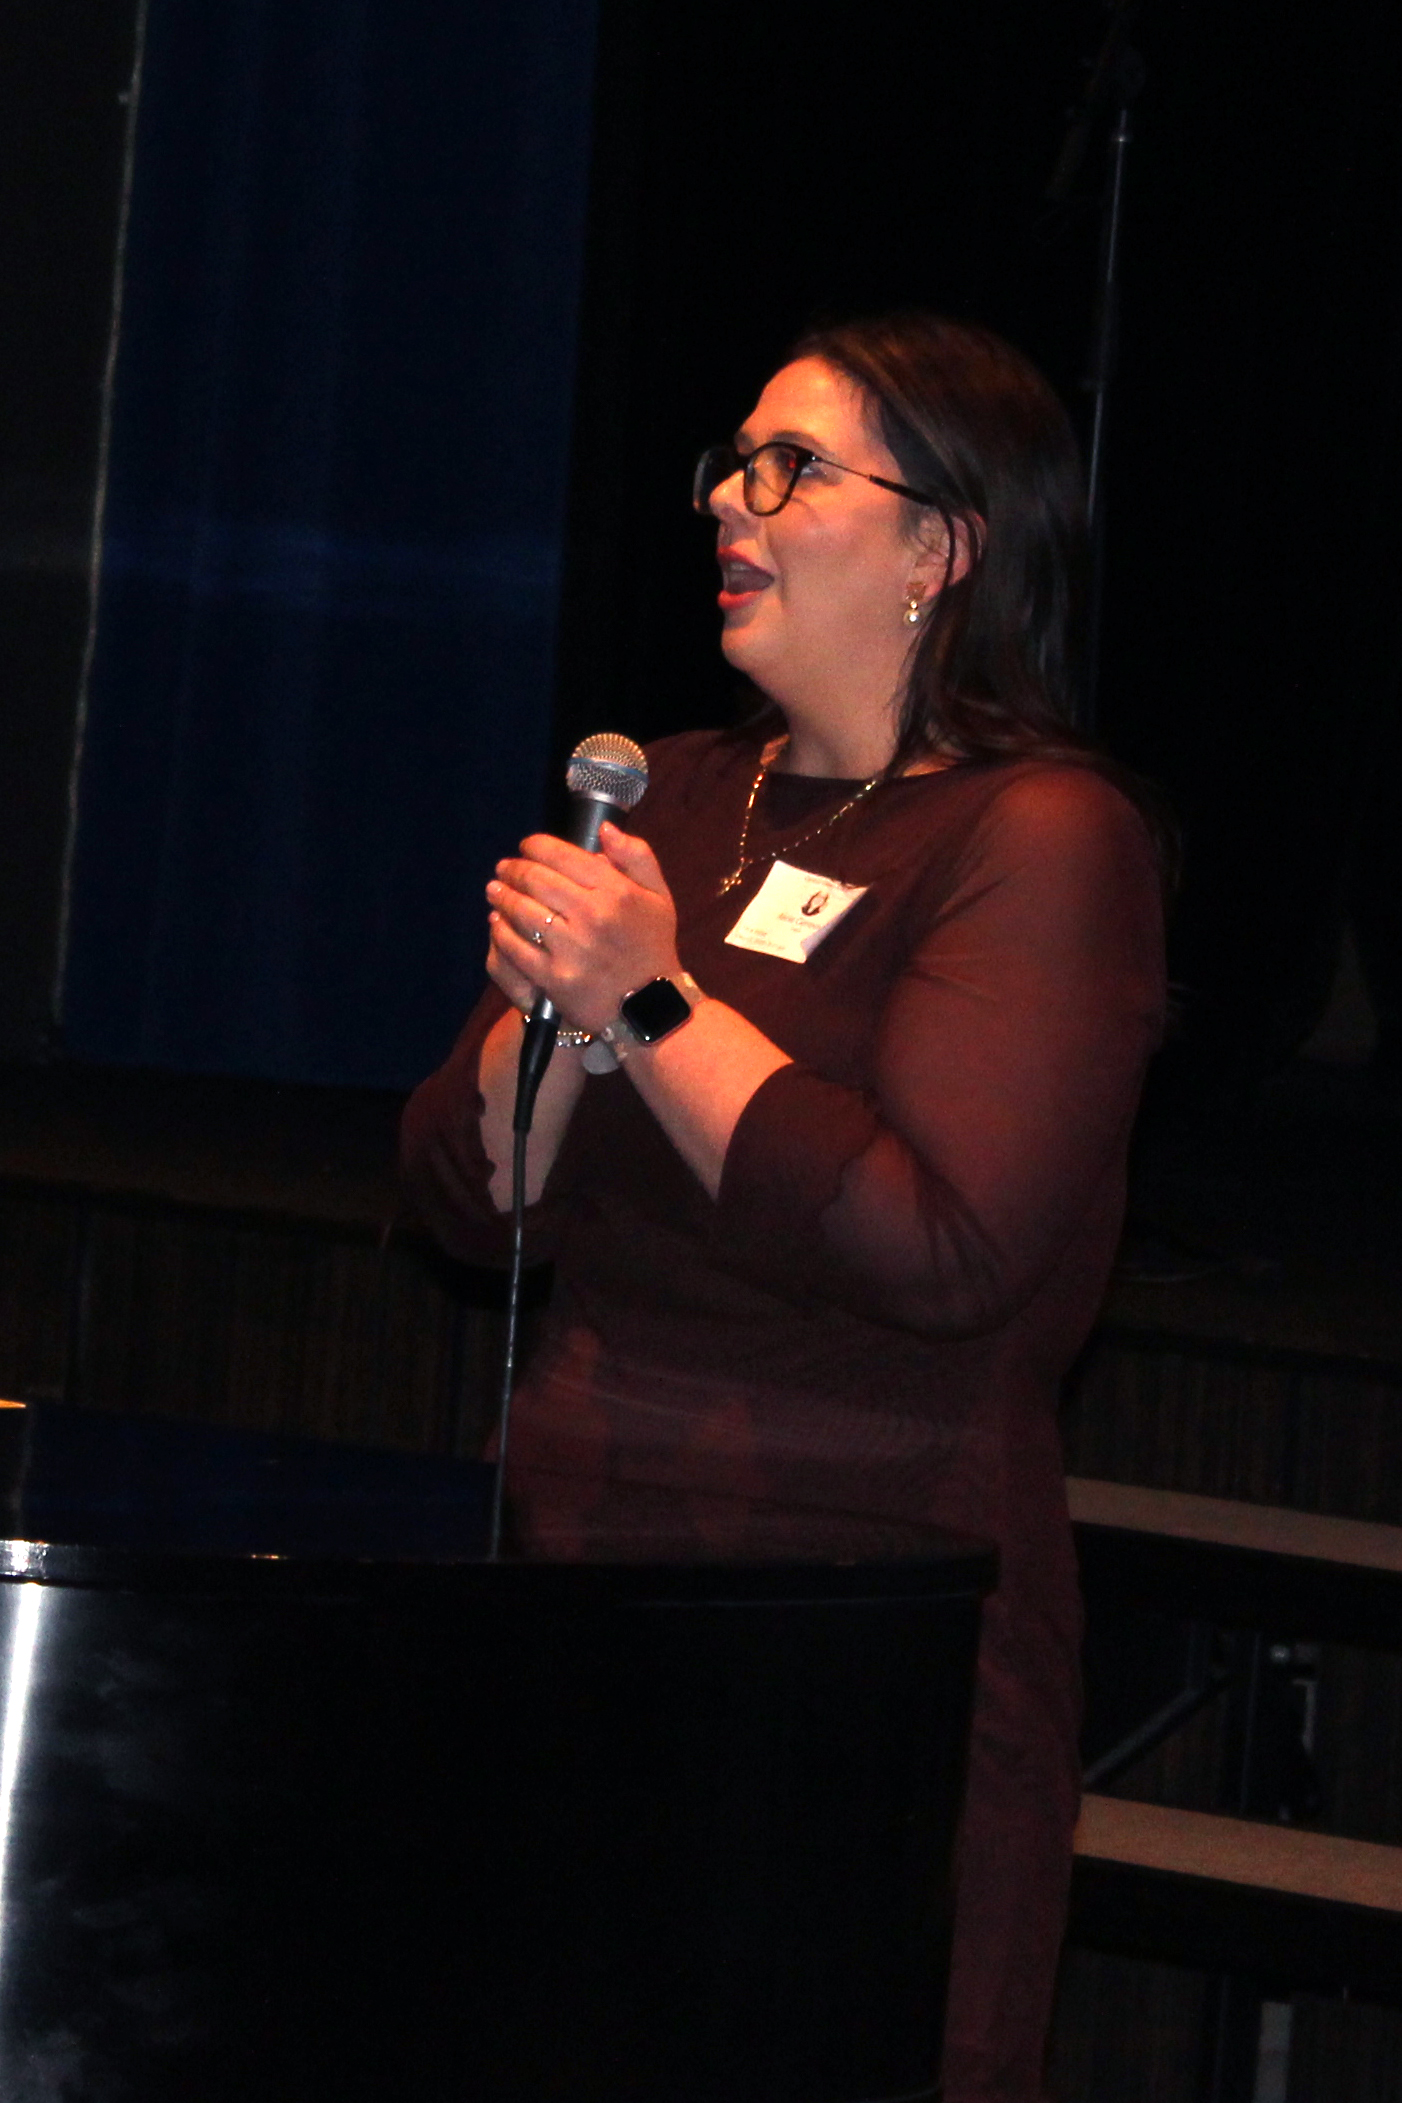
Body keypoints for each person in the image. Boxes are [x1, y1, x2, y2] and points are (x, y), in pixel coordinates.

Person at [400, 313, 1167, 2103]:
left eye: (792, 471)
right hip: (583, 1580)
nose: (731, 507)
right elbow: (462, 1200)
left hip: (867, 1620)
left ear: (940, 548)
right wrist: (564, 1021)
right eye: (729, 469)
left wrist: (657, 1008)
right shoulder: (668, 791)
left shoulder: (1038, 836)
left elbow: (939, 1249)